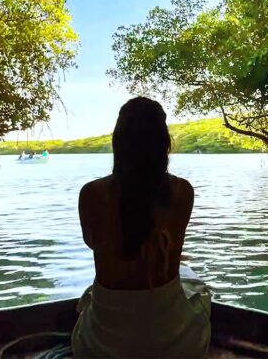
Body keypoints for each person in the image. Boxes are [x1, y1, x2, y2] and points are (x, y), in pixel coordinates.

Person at [71, 97, 211, 358]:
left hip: (100, 348)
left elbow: (92, 242)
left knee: (89, 297)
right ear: (163, 144)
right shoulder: (182, 192)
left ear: (118, 142)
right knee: (196, 285)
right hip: (177, 346)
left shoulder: (91, 194)